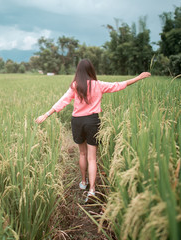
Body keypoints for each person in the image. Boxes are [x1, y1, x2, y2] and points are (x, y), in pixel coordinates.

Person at [35, 59, 151, 202]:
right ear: (91, 70)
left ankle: (83, 182)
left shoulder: (75, 85)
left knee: (82, 154)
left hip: (77, 121)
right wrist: (139, 77)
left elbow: (62, 101)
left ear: (78, 71)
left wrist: (46, 114)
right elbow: (120, 85)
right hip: (92, 121)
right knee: (92, 158)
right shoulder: (99, 85)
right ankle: (92, 190)